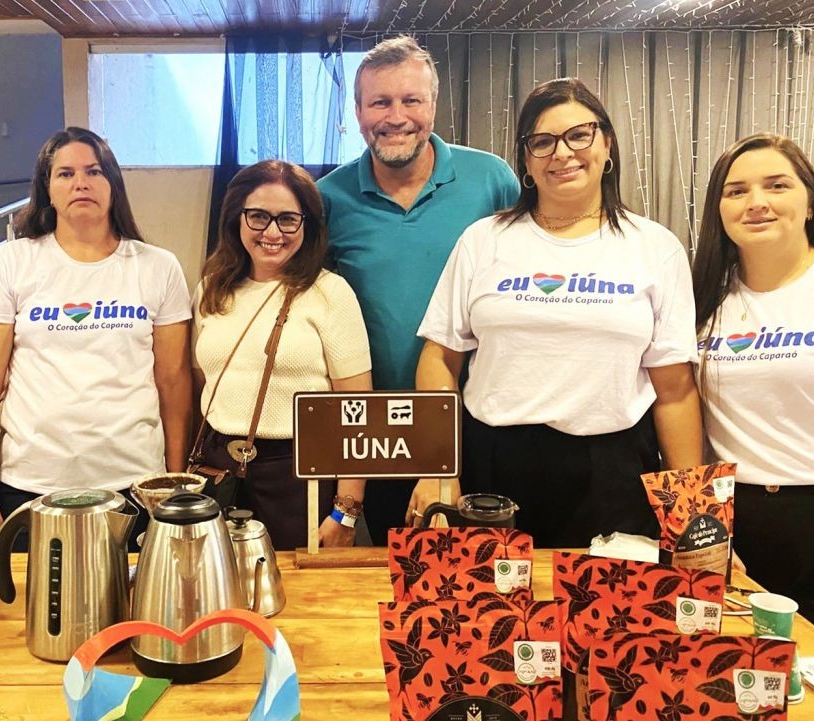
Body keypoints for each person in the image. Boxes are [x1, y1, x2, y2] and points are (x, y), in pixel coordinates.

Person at [413, 78, 703, 547]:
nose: (562, 153)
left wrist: (692, 510)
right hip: (492, 463)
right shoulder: (484, 240)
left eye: (579, 135)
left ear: (607, 143)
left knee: (605, 619)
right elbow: (440, 358)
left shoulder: (655, 248)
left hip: (611, 470)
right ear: (526, 161)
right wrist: (437, 467)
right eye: (542, 142)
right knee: (487, 615)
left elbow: (676, 392)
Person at [318, 35, 520, 544]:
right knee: (408, 579)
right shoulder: (327, 199)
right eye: (379, 102)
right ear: (359, 111)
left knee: (495, 572)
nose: (396, 116)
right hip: (384, 429)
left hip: (484, 420)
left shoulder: (491, 180)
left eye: (411, 100)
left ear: (433, 104)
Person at [0, 127, 192, 551]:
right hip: (30, 484)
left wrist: (173, 484)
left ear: (113, 185)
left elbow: (173, 383)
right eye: (65, 173)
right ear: (46, 189)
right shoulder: (12, 262)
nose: (80, 182)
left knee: (132, 611)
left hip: (134, 484)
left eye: (94, 171)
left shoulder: (158, 267)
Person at [692, 133, 814, 637]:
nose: (757, 203)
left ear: (810, 202)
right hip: (739, 528)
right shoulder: (702, 300)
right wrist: (707, 525)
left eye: (777, 185)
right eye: (737, 190)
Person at [193, 160, 371, 550]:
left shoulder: (330, 293)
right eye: (258, 217)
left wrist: (346, 510)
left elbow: (356, 409)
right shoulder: (211, 288)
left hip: (300, 475)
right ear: (236, 218)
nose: (272, 232)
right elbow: (202, 382)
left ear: (306, 224)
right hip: (219, 469)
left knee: (303, 600)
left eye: (287, 219)